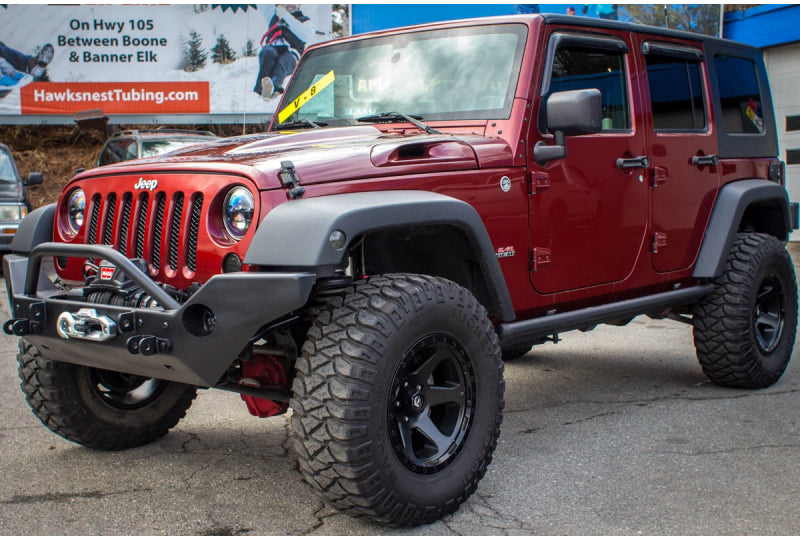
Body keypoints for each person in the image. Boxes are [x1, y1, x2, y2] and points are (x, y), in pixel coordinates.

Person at [253, 5, 312, 99]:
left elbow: (305, 35)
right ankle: (262, 88)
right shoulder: (273, 16)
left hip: (291, 54)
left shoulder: (304, 21)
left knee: (283, 62)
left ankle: (275, 86)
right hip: (274, 47)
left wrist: (285, 15)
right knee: (267, 53)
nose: (290, 4)